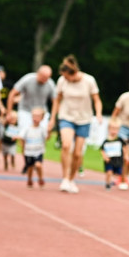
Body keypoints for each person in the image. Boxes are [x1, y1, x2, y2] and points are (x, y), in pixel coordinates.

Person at [48, 55, 102, 194]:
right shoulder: (62, 81)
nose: (65, 79)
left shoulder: (89, 80)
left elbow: (96, 99)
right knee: (66, 145)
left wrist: (99, 114)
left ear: (73, 74)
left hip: (84, 119)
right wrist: (52, 118)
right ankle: (65, 178)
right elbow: (57, 100)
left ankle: (72, 179)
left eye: (67, 77)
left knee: (77, 154)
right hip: (66, 116)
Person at [7, 65, 56, 133]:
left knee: (42, 134)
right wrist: (9, 112)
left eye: (47, 78)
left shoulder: (50, 83)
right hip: (25, 110)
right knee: (24, 134)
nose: (45, 80)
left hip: (41, 112)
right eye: (43, 77)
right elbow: (12, 93)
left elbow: (55, 101)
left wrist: (52, 119)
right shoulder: (28, 79)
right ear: (38, 73)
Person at [18, 106, 49, 189]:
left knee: (38, 165)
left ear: (42, 118)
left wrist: (49, 131)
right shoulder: (27, 129)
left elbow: (46, 138)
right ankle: (29, 179)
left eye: (38, 117)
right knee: (30, 167)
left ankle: (40, 178)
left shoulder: (42, 129)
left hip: (38, 152)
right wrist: (22, 147)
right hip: (29, 152)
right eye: (34, 116)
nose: (36, 118)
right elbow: (21, 137)